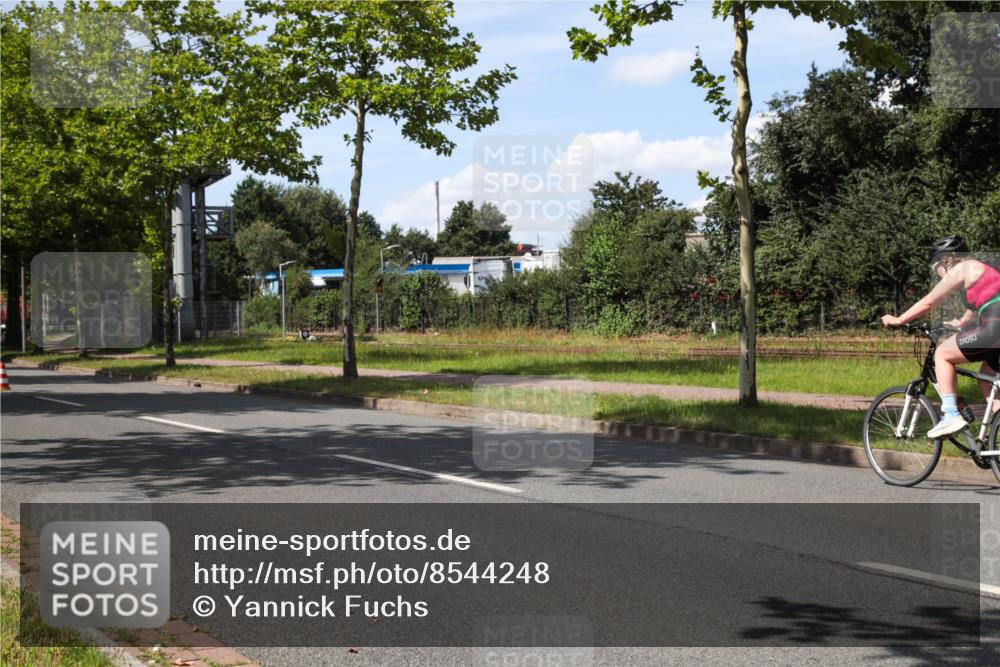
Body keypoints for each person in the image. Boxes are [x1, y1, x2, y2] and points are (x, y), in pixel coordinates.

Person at [881, 236, 1000, 439]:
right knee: (986, 379)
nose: (936, 272)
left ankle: (951, 415)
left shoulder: (960, 270)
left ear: (945, 260)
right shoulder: (980, 268)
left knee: (943, 353)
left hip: (995, 326)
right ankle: (995, 439)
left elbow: (929, 302)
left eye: (935, 266)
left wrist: (899, 319)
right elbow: (978, 305)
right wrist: (961, 323)